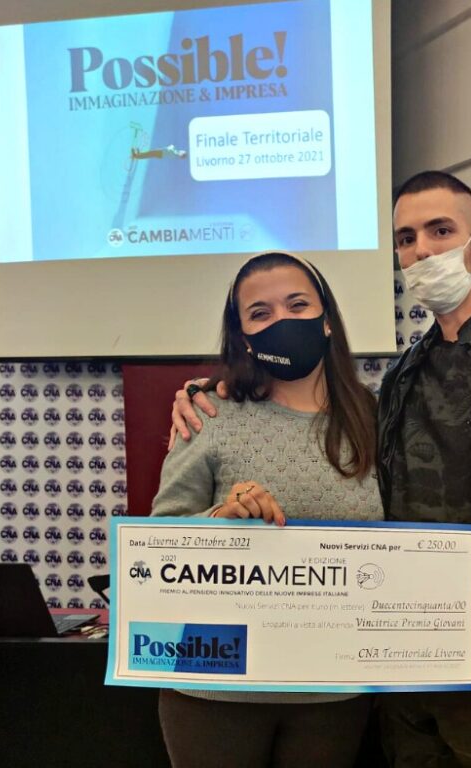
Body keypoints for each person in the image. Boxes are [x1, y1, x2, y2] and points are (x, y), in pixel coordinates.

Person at [171, 172, 471, 767]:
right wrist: (204, 394)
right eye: (406, 238)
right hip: (404, 674)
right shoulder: (399, 380)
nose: (423, 250)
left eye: (440, 230)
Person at [154, 251, 382, 768]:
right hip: (216, 690)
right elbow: (162, 535)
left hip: (333, 690)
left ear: (326, 319)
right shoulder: (208, 412)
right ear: (244, 336)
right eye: (261, 313)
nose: (282, 320)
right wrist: (222, 518)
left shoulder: (375, 416)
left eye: (297, 305)